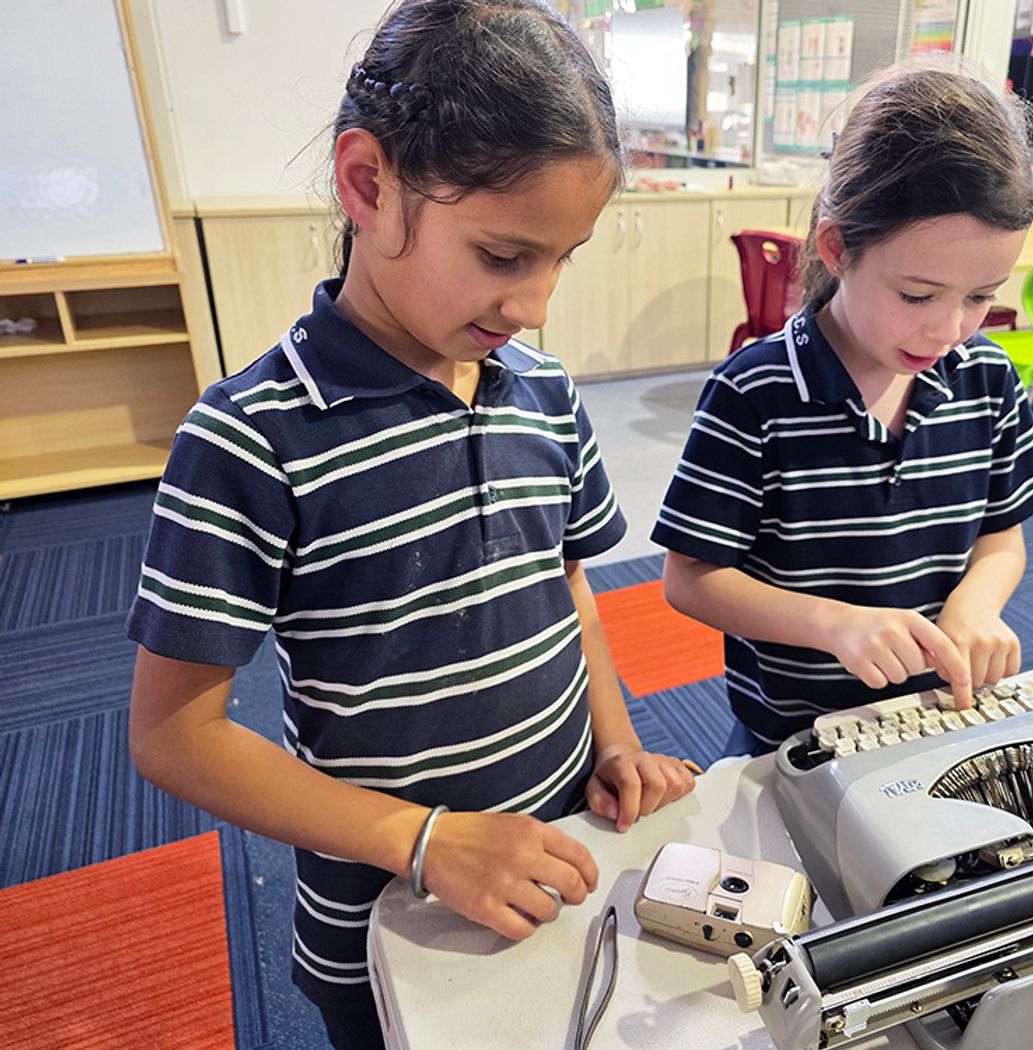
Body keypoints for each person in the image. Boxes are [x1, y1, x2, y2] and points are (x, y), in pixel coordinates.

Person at [126, 3, 695, 1046]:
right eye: (503, 255)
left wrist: (615, 743)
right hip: (385, 923)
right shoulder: (251, 439)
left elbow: (565, 582)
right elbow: (174, 737)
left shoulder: (542, 393)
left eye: (562, 258)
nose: (536, 305)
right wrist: (424, 840)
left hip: (560, 859)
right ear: (367, 184)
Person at [653, 63, 1033, 756]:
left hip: (934, 718)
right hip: (793, 741)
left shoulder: (986, 378)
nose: (948, 330)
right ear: (837, 248)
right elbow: (690, 579)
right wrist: (833, 624)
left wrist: (975, 605)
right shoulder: (756, 394)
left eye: (980, 297)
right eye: (917, 296)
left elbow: (1001, 538)